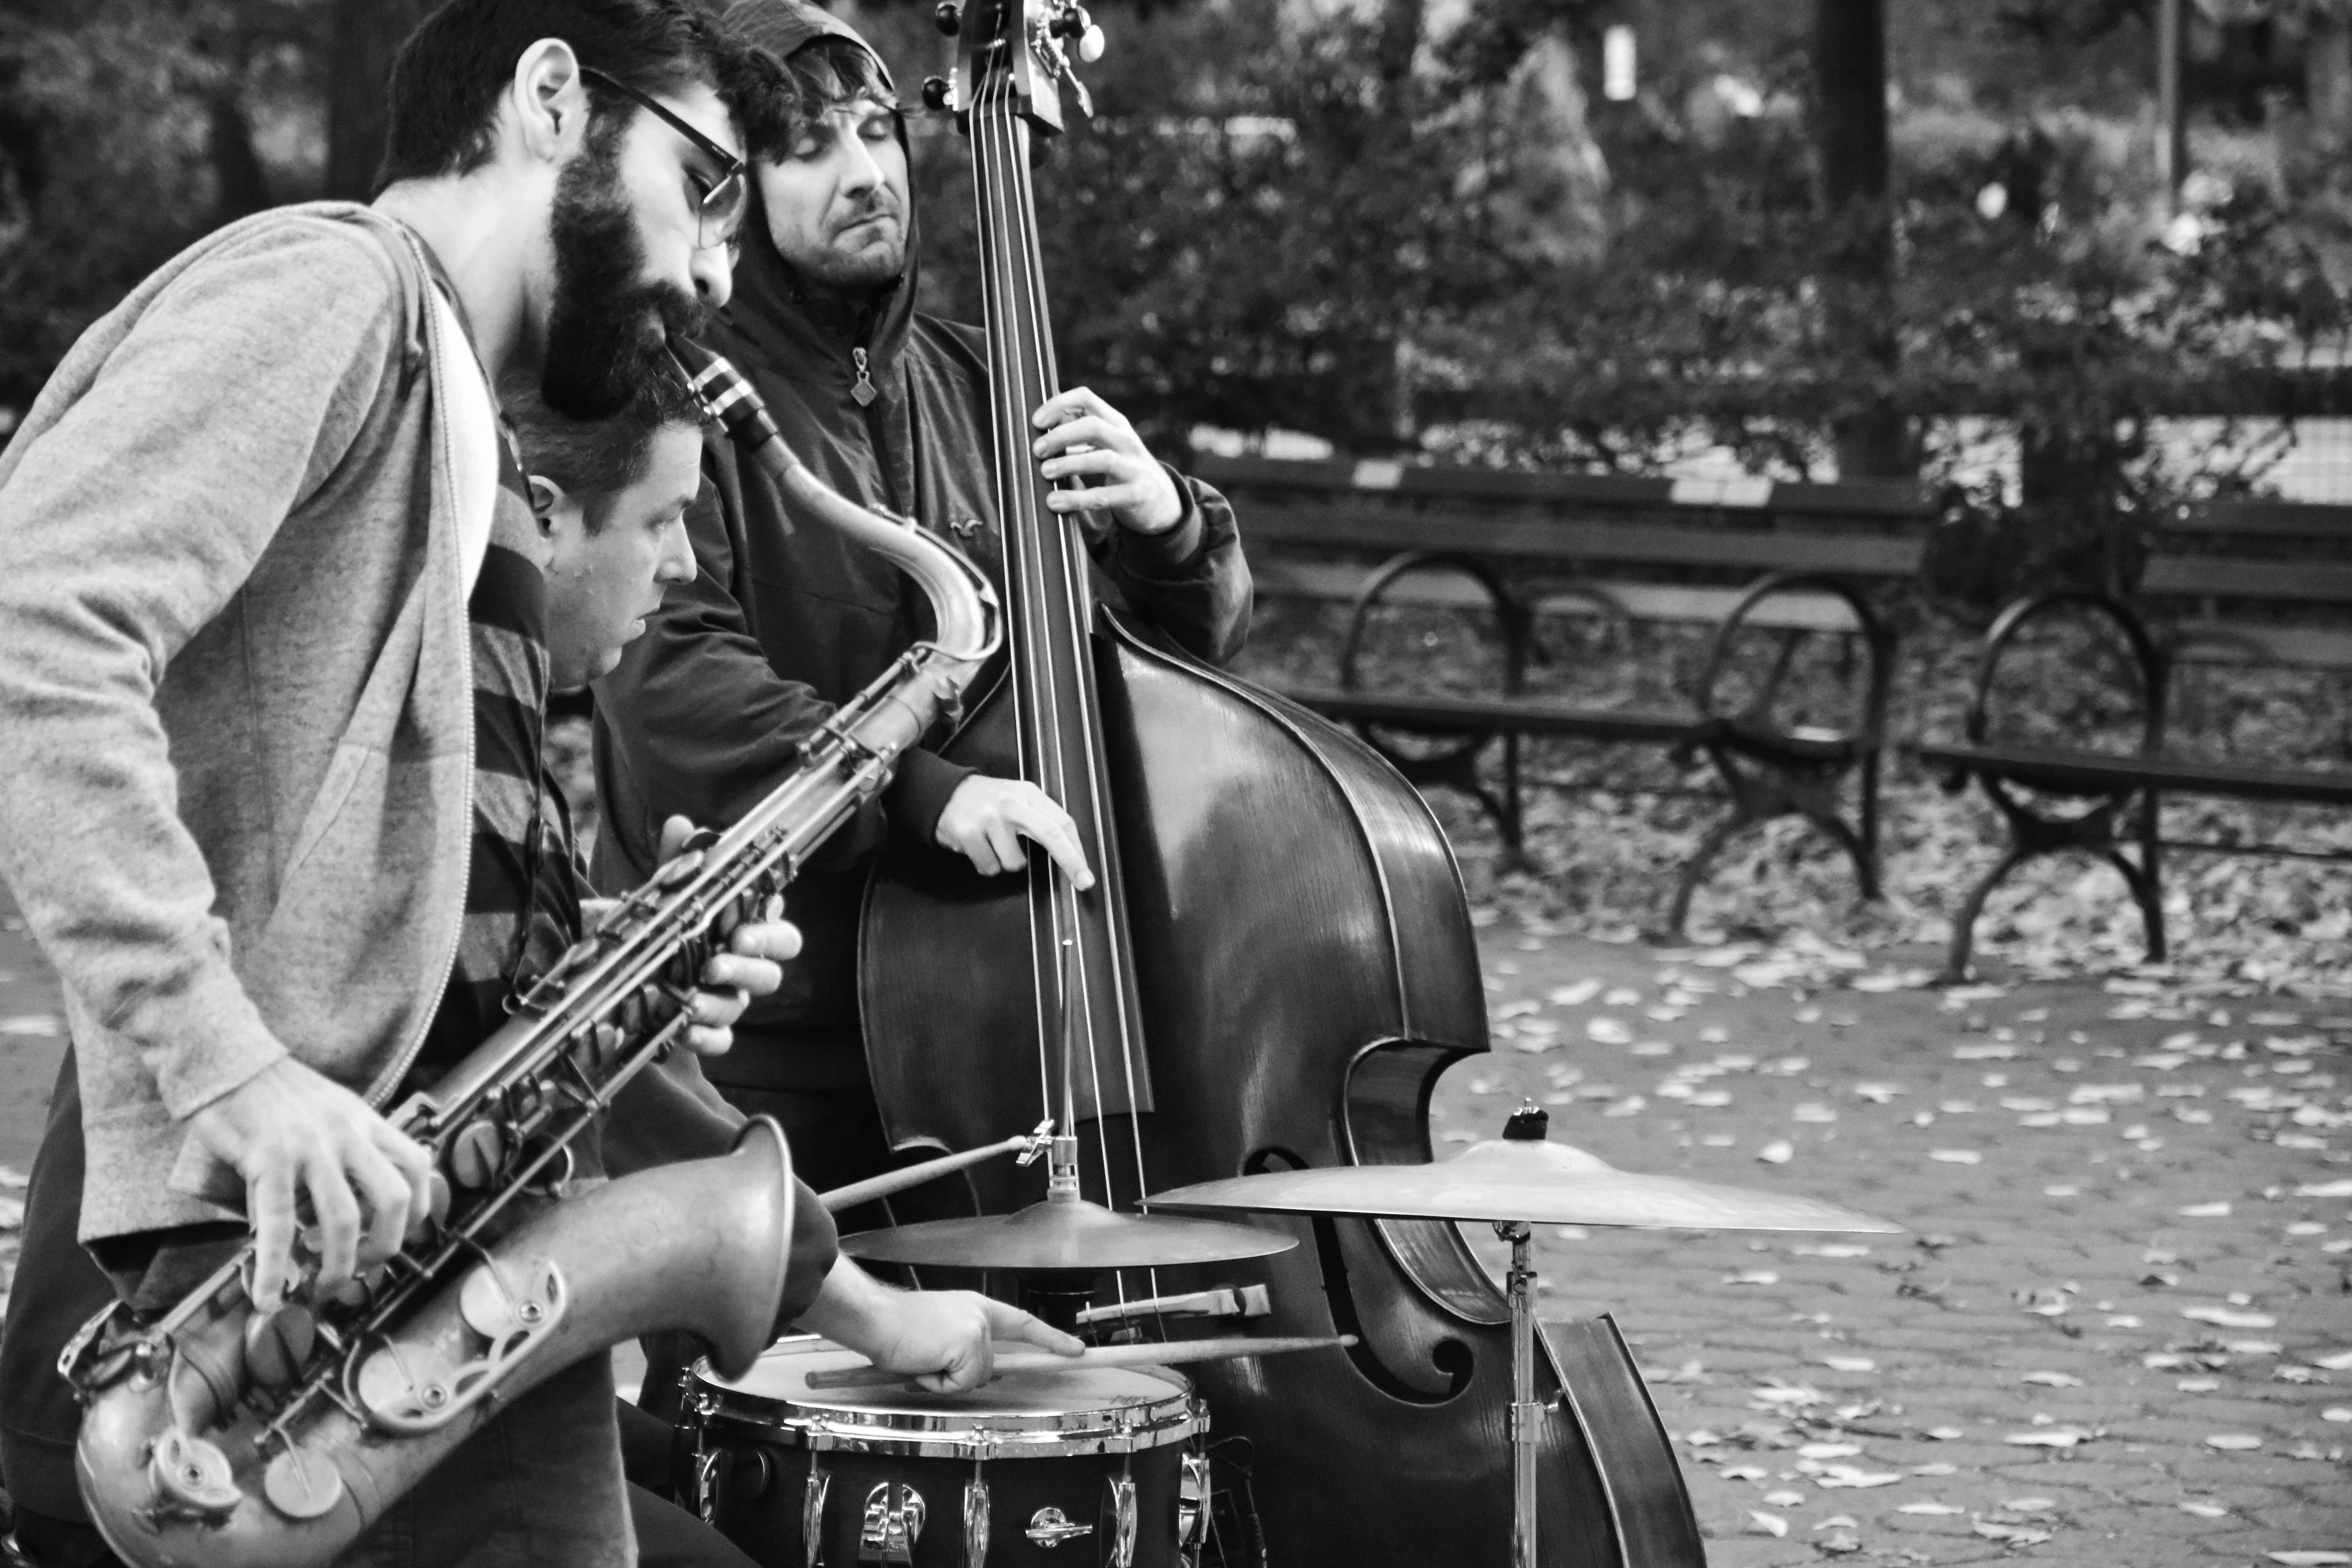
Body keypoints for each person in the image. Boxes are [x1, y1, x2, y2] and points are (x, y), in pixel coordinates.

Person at [0, 4, 1071, 1566]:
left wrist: (625, 951)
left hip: (431, 1277)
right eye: (709, 186)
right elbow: (37, 614)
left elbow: (380, 898)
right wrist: (226, 1065)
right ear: (554, 100)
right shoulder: (332, 289)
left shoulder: (459, 429)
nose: (720, 271)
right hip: (291, 1301)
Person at [591, 0, 1254, 1205]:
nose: (864, 175)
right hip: (777, 1026)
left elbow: (1160, 677)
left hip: (1011, 1006)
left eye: (878, 134)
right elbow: (672, 679)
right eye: (809, 148)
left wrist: (1169, 528)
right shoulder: (680, 395)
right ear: (732, 191)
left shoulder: (992, 381)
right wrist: (921, 797)